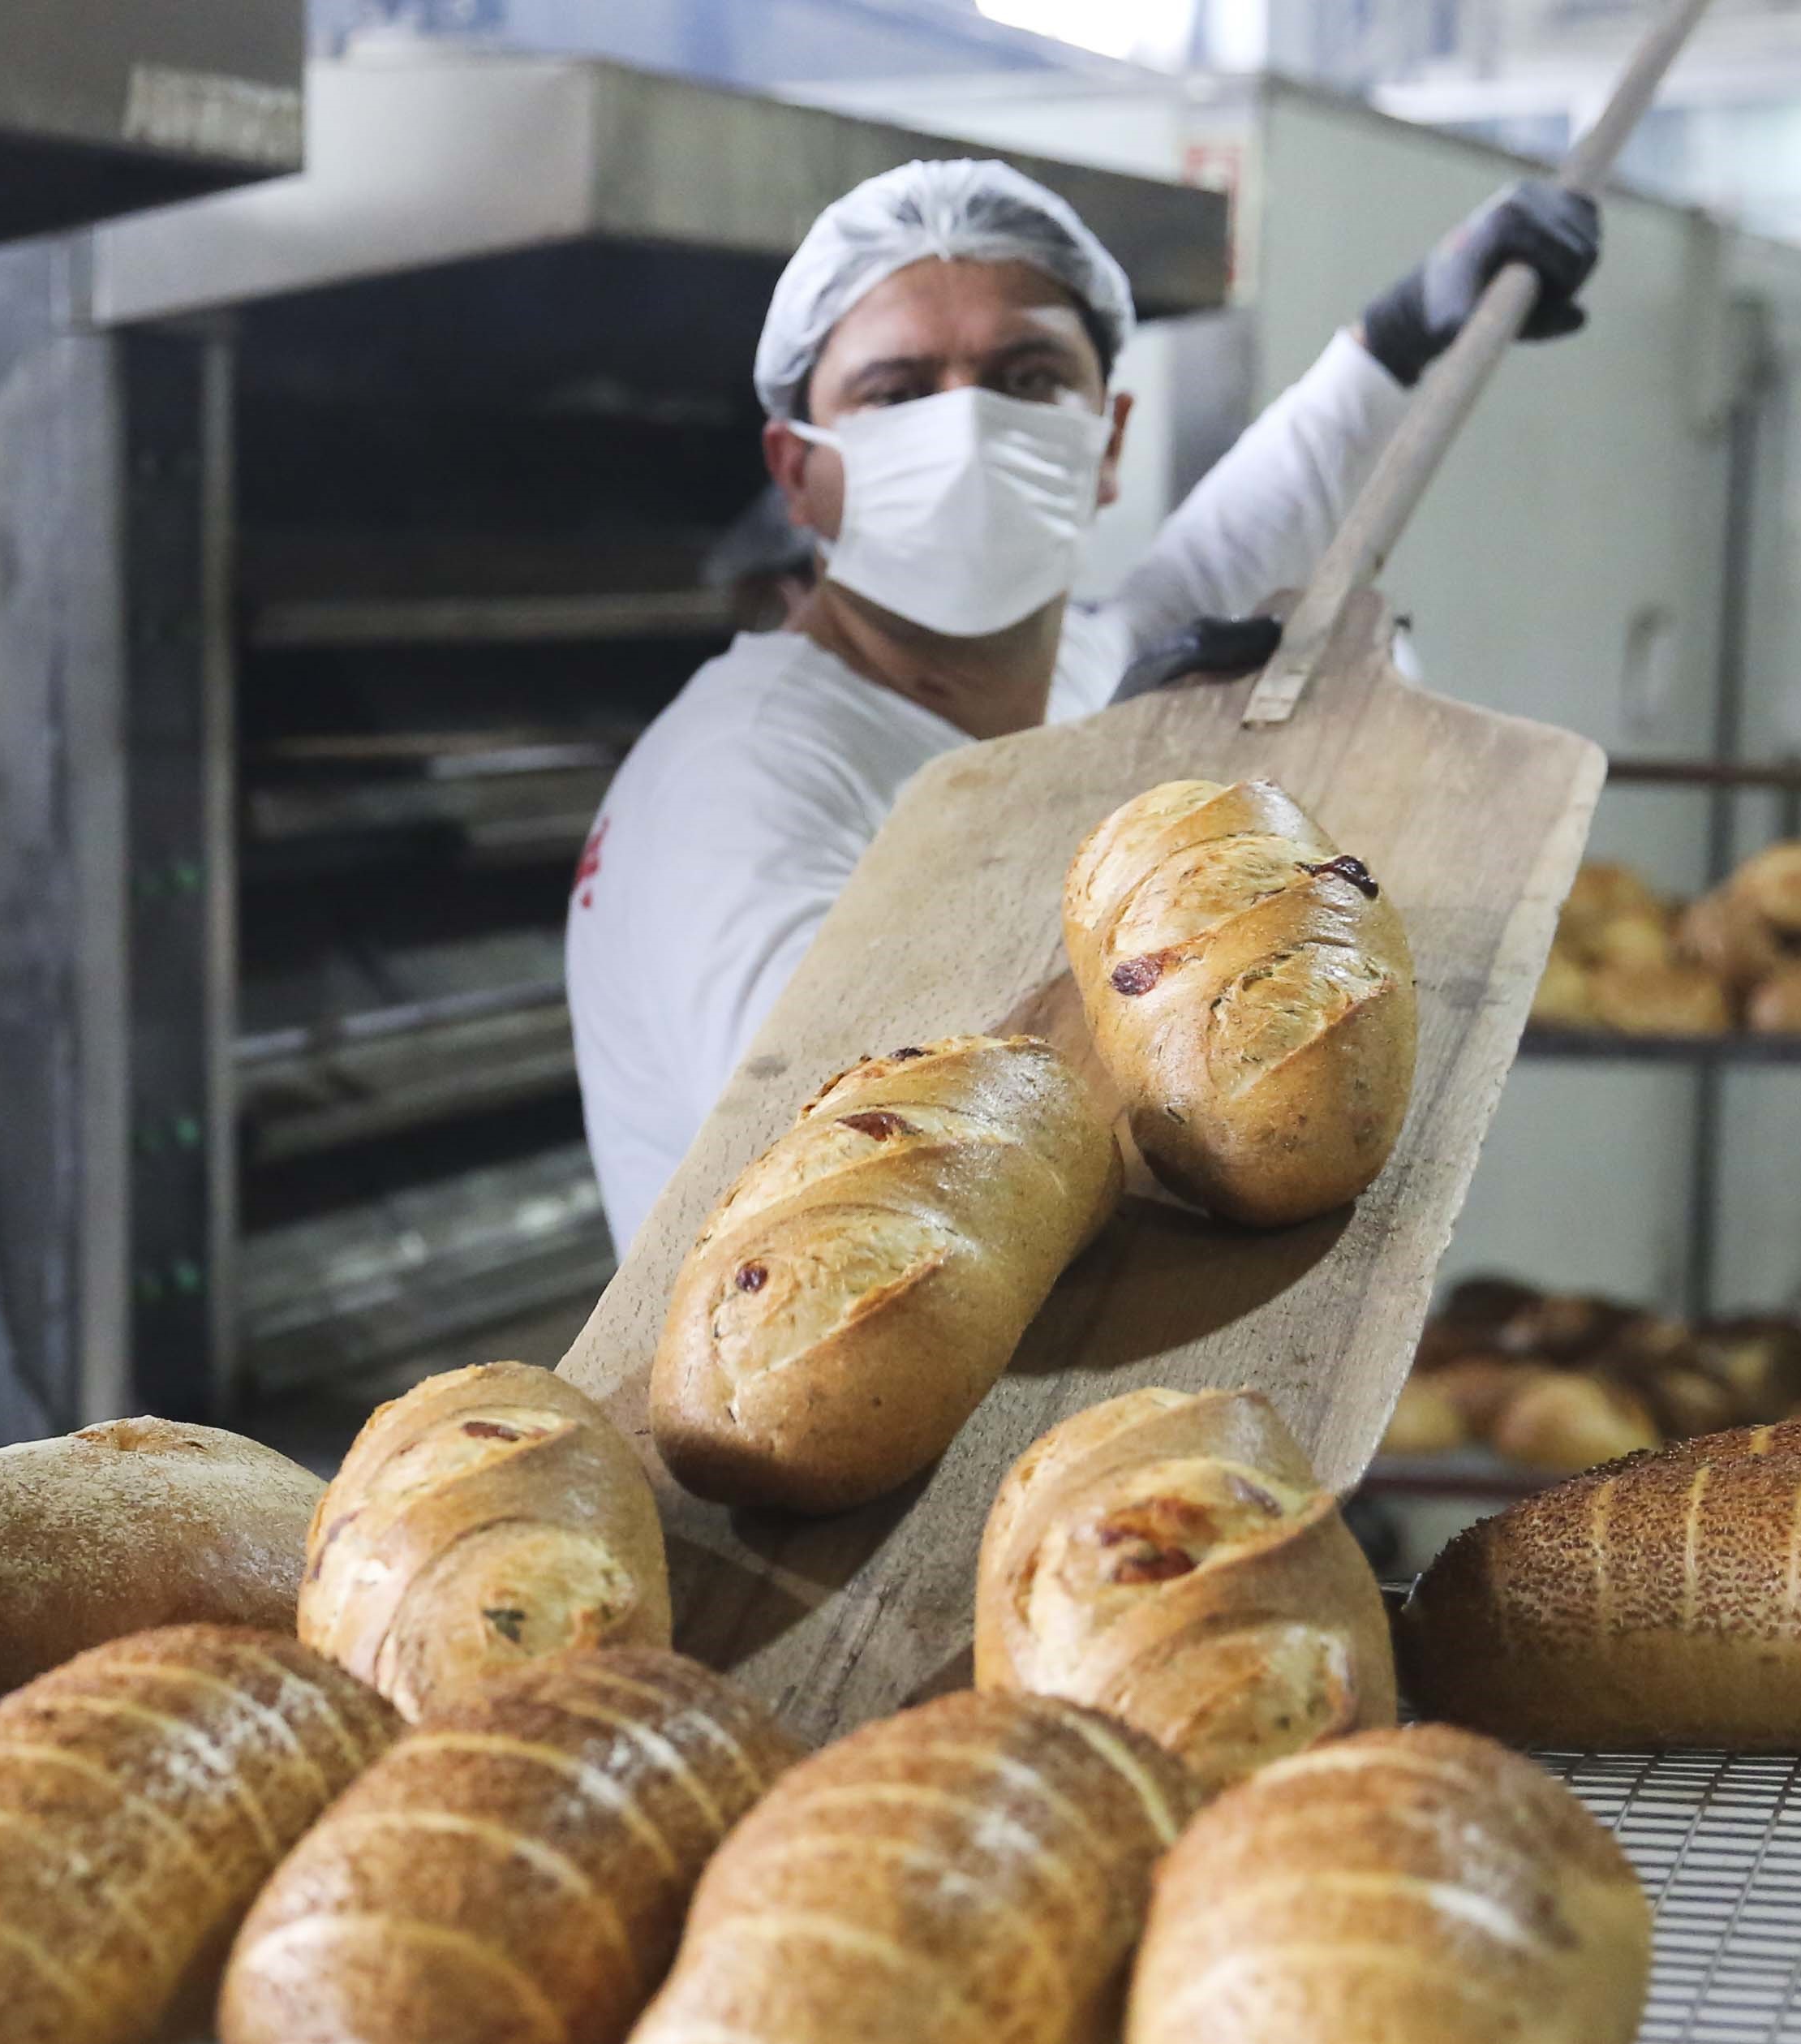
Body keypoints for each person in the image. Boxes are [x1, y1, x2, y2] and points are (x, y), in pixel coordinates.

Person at [565, 158, 1601, 1250]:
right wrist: (1104, 792)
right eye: (897, 391)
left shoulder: (1084, 665)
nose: (962, 429)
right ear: (796, 469)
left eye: (1022, 377)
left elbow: (1247, 529)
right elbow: (865, 1161)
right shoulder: (740, 776)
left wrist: (1401, 334)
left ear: (1104, 441)